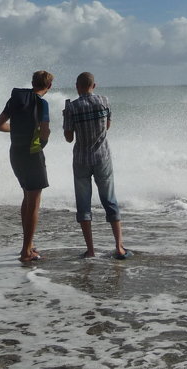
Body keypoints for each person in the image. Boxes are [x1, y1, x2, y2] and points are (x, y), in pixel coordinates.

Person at [63, 72, 130, 259]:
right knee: (109, 200)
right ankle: (119, 247)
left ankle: (91, 250)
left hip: (81, 160)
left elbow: (69, 138)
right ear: (94, 85)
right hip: (103, 157)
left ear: (77, 86)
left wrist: (66, 118)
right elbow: (107, 126)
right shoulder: (104, 101)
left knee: (84, 205)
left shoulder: (72, 107)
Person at [0, 70, 53, 263]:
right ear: (49, 86)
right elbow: (44, 133)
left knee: (27, 197)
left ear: (32, 83)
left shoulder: (15, 101)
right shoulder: (42, 104)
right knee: (34, 201)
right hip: (32, 155)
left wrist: (19, 128)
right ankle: (26, 251)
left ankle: (28, 244)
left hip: (15, 154)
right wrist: (42, 139)